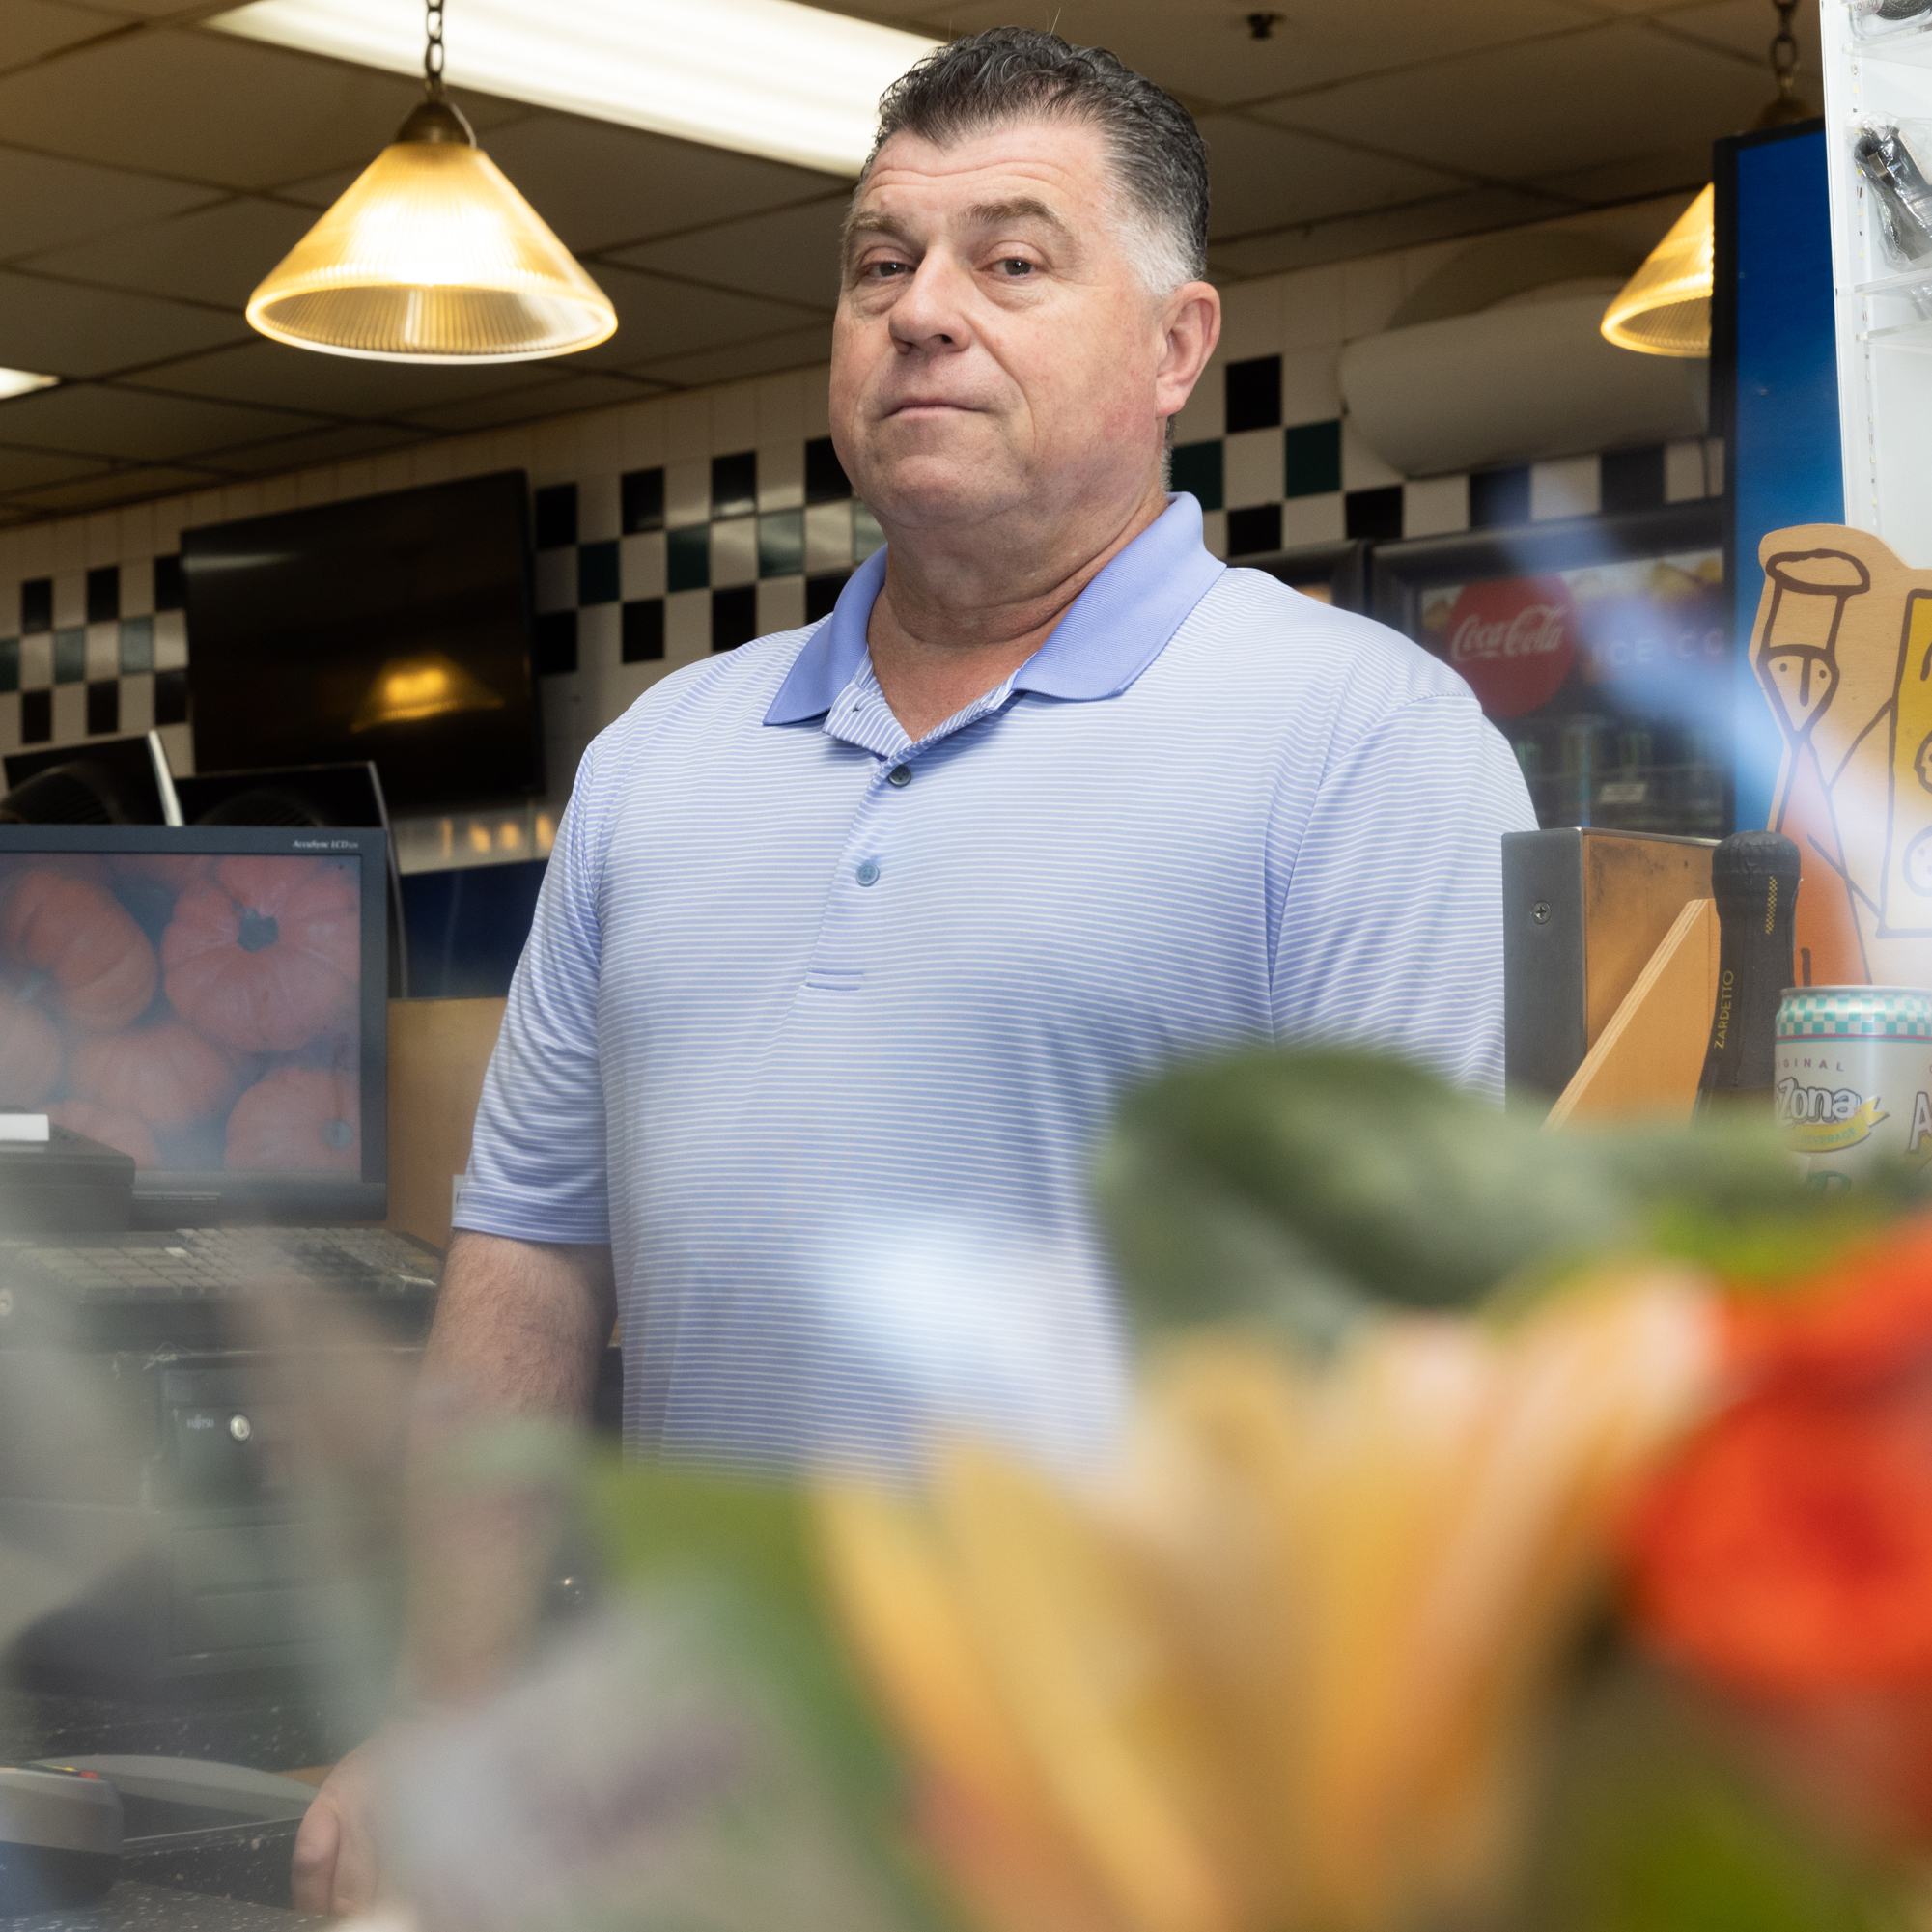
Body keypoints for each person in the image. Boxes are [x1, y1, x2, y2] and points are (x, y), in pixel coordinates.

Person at [293, 26, 1535, 1915]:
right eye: (880, 264)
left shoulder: (1359, 740)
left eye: (1010, 260)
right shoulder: (652, 764)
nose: (922, 312)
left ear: (1175, 346)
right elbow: (531, 1264)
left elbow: (1401, 1361)